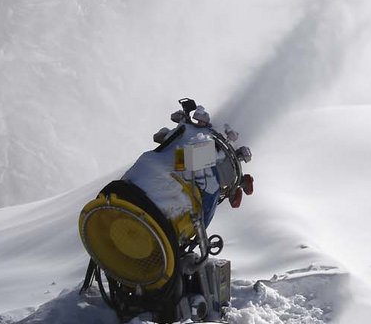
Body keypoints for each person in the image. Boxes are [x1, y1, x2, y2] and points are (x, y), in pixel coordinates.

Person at [79, 99, 255, 323]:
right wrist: (214, 159)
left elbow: (184, 163)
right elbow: (195, 164)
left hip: (125, 230)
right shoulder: (186, 158)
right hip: (150, 237)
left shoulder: (161, 158)